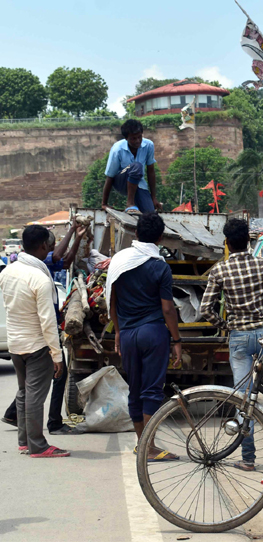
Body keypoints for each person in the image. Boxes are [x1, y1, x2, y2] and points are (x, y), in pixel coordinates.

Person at [199, 218, 263, 471]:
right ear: (249, 241)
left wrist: (225, 325)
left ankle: (248, 458)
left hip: (240, 338)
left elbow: (205, 308)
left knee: (243, 400)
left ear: (228, 244)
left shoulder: (220, 271)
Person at [107, 213, 181, 461]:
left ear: (136, 234)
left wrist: (118, 332)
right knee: (152, 391)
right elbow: (168, 308)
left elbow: (112, 302)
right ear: (160, 237)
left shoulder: (119, 261)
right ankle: (149, 447)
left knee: (135, 390)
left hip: (127, 333)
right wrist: (177, 340)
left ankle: (143, 443)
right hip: (153, 332)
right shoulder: (160, 266)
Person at [1, 224, 88, 434]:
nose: (51, 249)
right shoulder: (39, 271)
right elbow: (47, 319)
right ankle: (46, 431)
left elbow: (64, 259)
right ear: (42, 246)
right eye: (49, 245)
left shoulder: (12, 269)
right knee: (46, 382)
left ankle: (18, 423)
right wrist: (56, 354)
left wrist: (76, 238)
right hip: (37, 338)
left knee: (28, 387)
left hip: (18, 339)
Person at [101, 119, 162, 214]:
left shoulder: (148, 145)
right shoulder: (117, 149)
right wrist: (104, 203)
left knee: (150, 214)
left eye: (139, 137)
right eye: (133, 138)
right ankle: (130, 203)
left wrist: (153, 198)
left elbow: (151, 171)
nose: (137, 141)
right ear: (126, 138)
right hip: (121, 182)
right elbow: (110, 176)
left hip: (138, 182)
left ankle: (137, 206)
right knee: (137, 166)